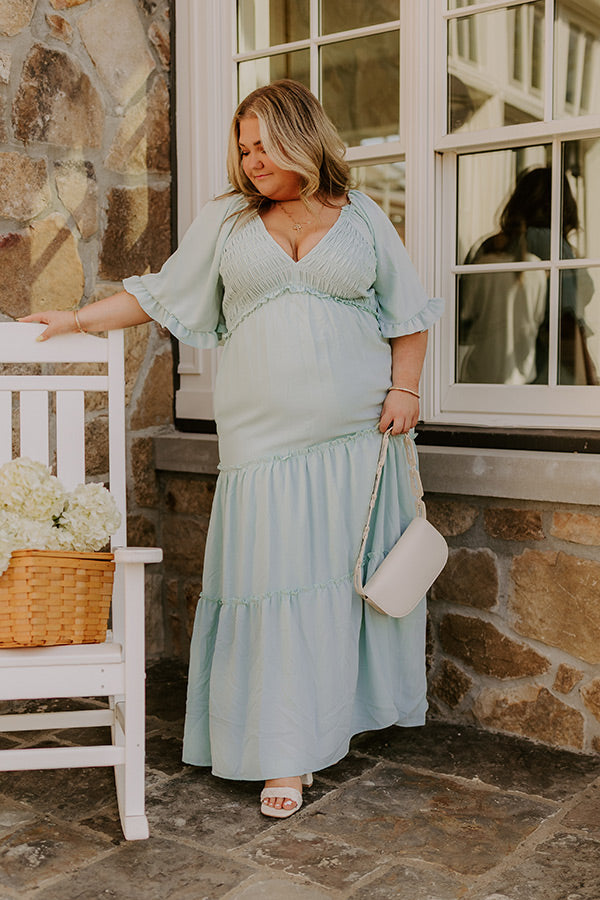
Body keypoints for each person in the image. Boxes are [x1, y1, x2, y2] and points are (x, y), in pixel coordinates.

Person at [21, 80, 444, 818]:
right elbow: (159, 294)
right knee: (273, 584)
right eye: (243, 149)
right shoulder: (228, 219)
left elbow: (407, 317)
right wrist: (79, 319)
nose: (251, 161)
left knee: (337, 586)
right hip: (261, 445)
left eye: (263, 146)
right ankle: (283, 752)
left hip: (355, 437)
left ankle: (324, 727)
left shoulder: (364, 216)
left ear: (302, 137)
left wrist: (405, 391)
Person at [458, 166, 596, 385]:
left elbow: (463, 329)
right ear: (565, 204)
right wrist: (588, 378)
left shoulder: (488, 247)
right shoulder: (553, 246)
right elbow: (566, 325)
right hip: (547, 378)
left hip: (490, 376)